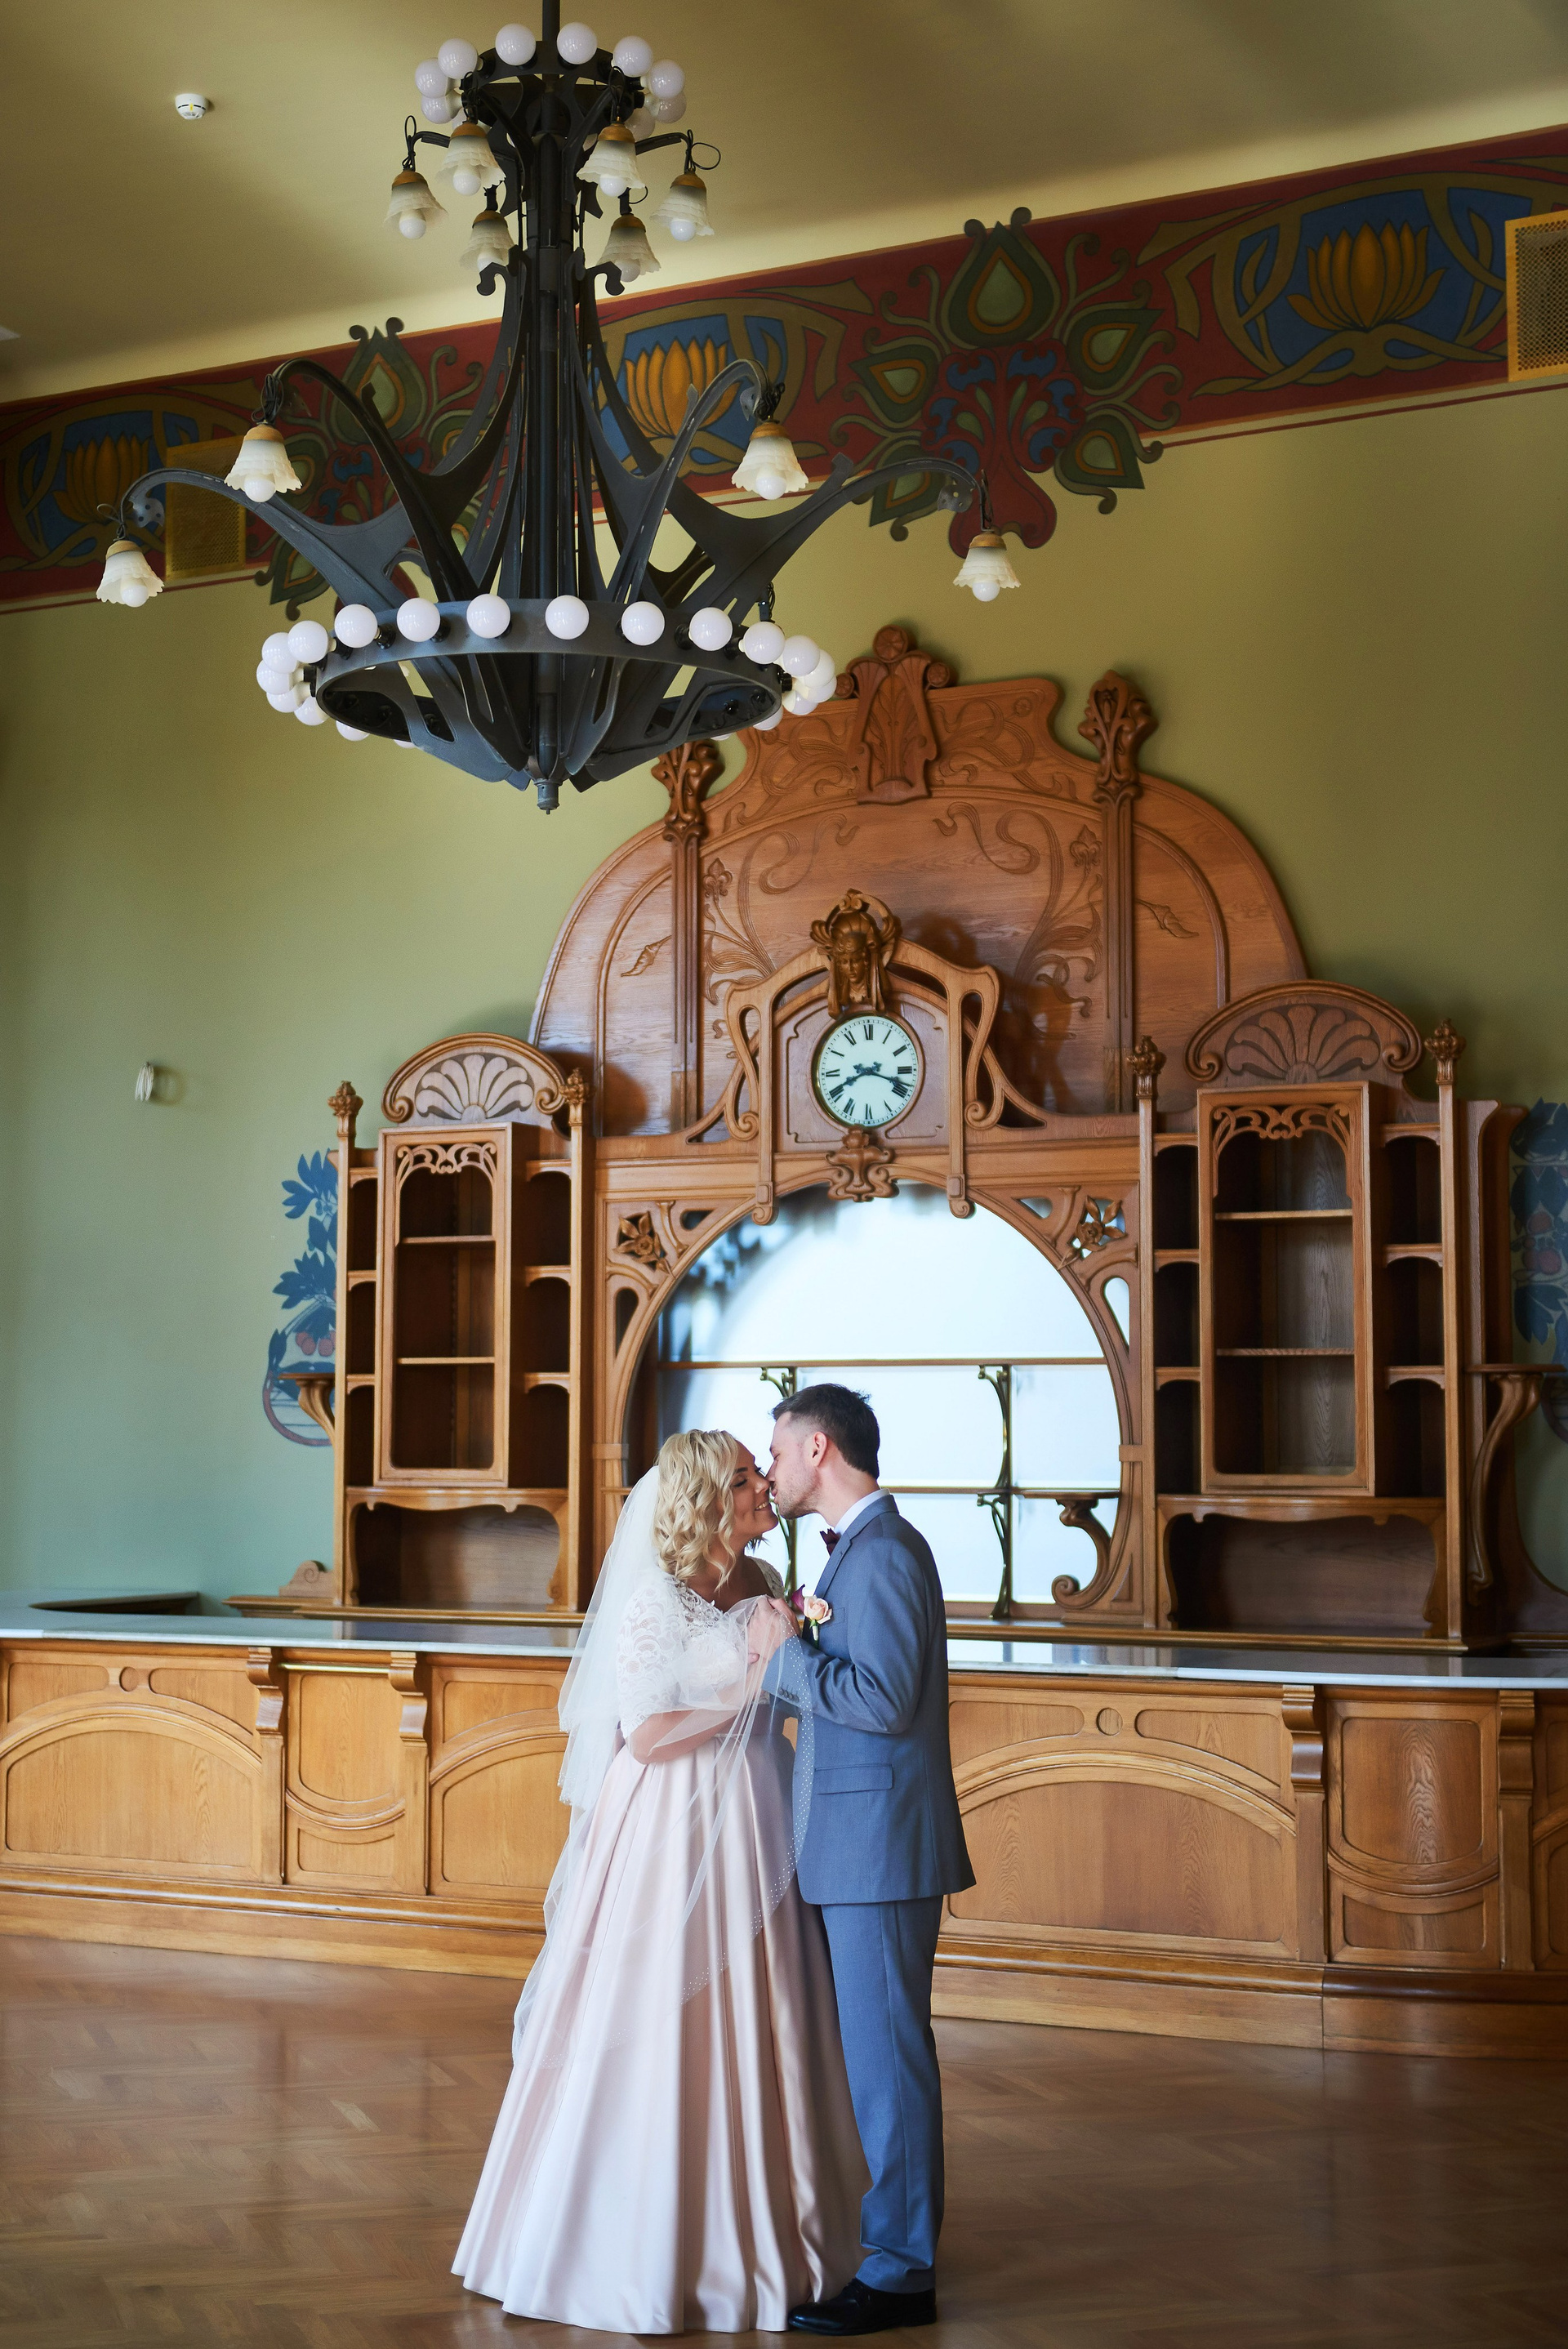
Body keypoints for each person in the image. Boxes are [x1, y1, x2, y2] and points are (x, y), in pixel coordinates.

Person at [453, 1429, 867, 2333]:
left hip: (757, 1808)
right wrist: (748, 1684)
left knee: (769, 2004)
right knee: (654, 2005)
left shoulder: (764, 1580)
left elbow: (788, 1688)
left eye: (761, 1472)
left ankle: (774, 2222)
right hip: (671, 1820)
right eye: (747, 1478)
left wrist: (783, 1669)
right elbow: (644, 1734)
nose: (764, 1486)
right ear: (710, 1500)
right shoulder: (654, 1599)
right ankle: (632, 2236)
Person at [767, 1384, 974, 2338]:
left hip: (881, 1850)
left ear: (819, 1448)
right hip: (858, 1846)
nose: (770, 1470)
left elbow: (885, 1700)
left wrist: (785, 1654)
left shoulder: (884, 1551)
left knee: (891, 2065)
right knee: (877, 2062)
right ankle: (892, 2248)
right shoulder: (859, 1548)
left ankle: (899, 2273)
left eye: (777, 1451)